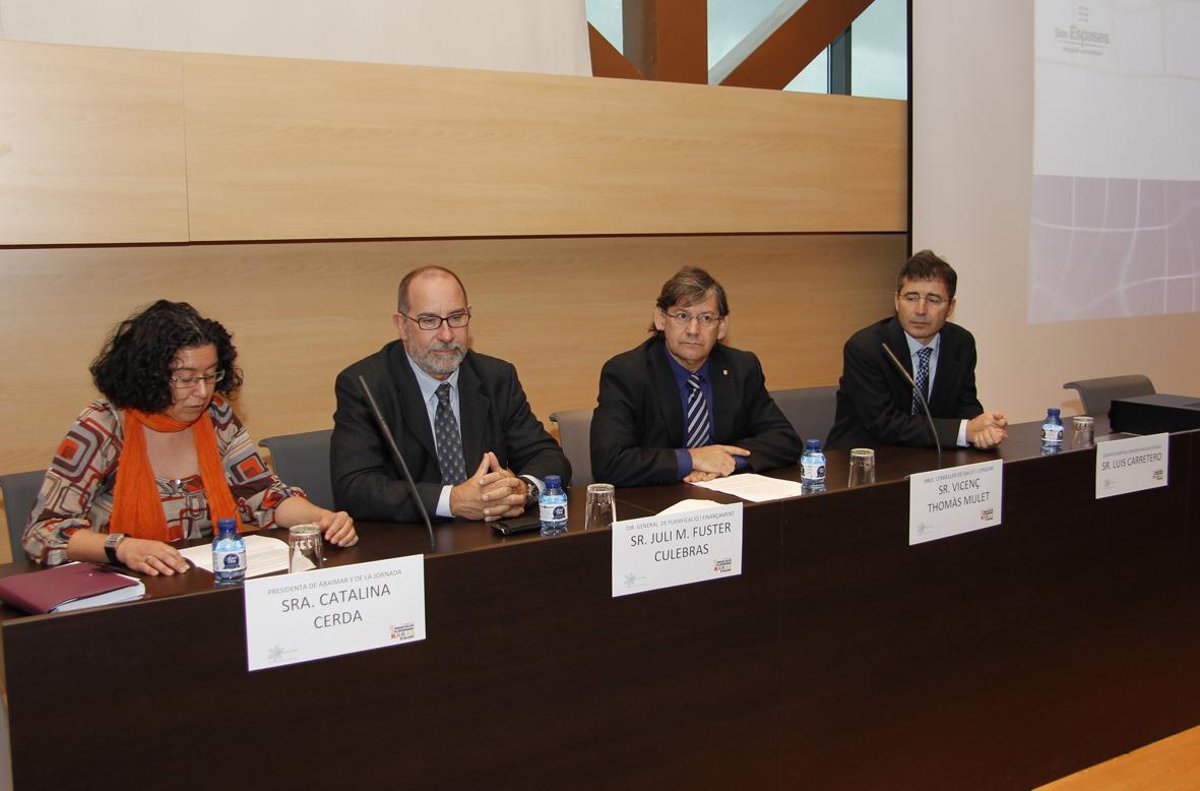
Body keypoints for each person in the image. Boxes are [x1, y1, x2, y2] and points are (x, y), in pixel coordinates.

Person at [23, 300, 356, 573]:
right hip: (120, 587)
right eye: (185, 379)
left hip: (200, 582)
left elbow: (262, 495)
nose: (202, 392)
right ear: (148, 375)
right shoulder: (103, 426)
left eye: (211, 376)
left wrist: (319, 518)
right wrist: (121, 547)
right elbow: (43, 533)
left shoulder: (216, 417)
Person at [331, 266, 570, 524]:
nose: (446, 335)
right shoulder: (365, 385)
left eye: (456, 317)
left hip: (489, 534)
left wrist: (522, 490)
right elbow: (354, 487)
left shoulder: (495, 377)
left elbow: (549, 458)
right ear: (402, 326)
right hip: (412, 538)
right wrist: (452, 500)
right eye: (429, 321)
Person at [591, 266, 801, 487]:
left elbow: (785, 440)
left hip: (725, 494)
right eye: (682, 316)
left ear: (721, 327)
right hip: (656, 499)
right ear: (661, 319)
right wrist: (692, 459)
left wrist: (724, 462)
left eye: (706, 318)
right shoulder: (627, 373)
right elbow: (609, 462)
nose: (693, 330)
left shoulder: (741, 368)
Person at [826, 250, 1008, 450]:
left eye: (934, 300)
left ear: (950, 307)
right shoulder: (866, 347)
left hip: (930, 456)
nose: (921, 310)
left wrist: (983, 428)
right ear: (897, 301)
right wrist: (964, 431)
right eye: (911, 298)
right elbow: (884, 423)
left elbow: (965, 404)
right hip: (865, 458)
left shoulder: (960, 343)